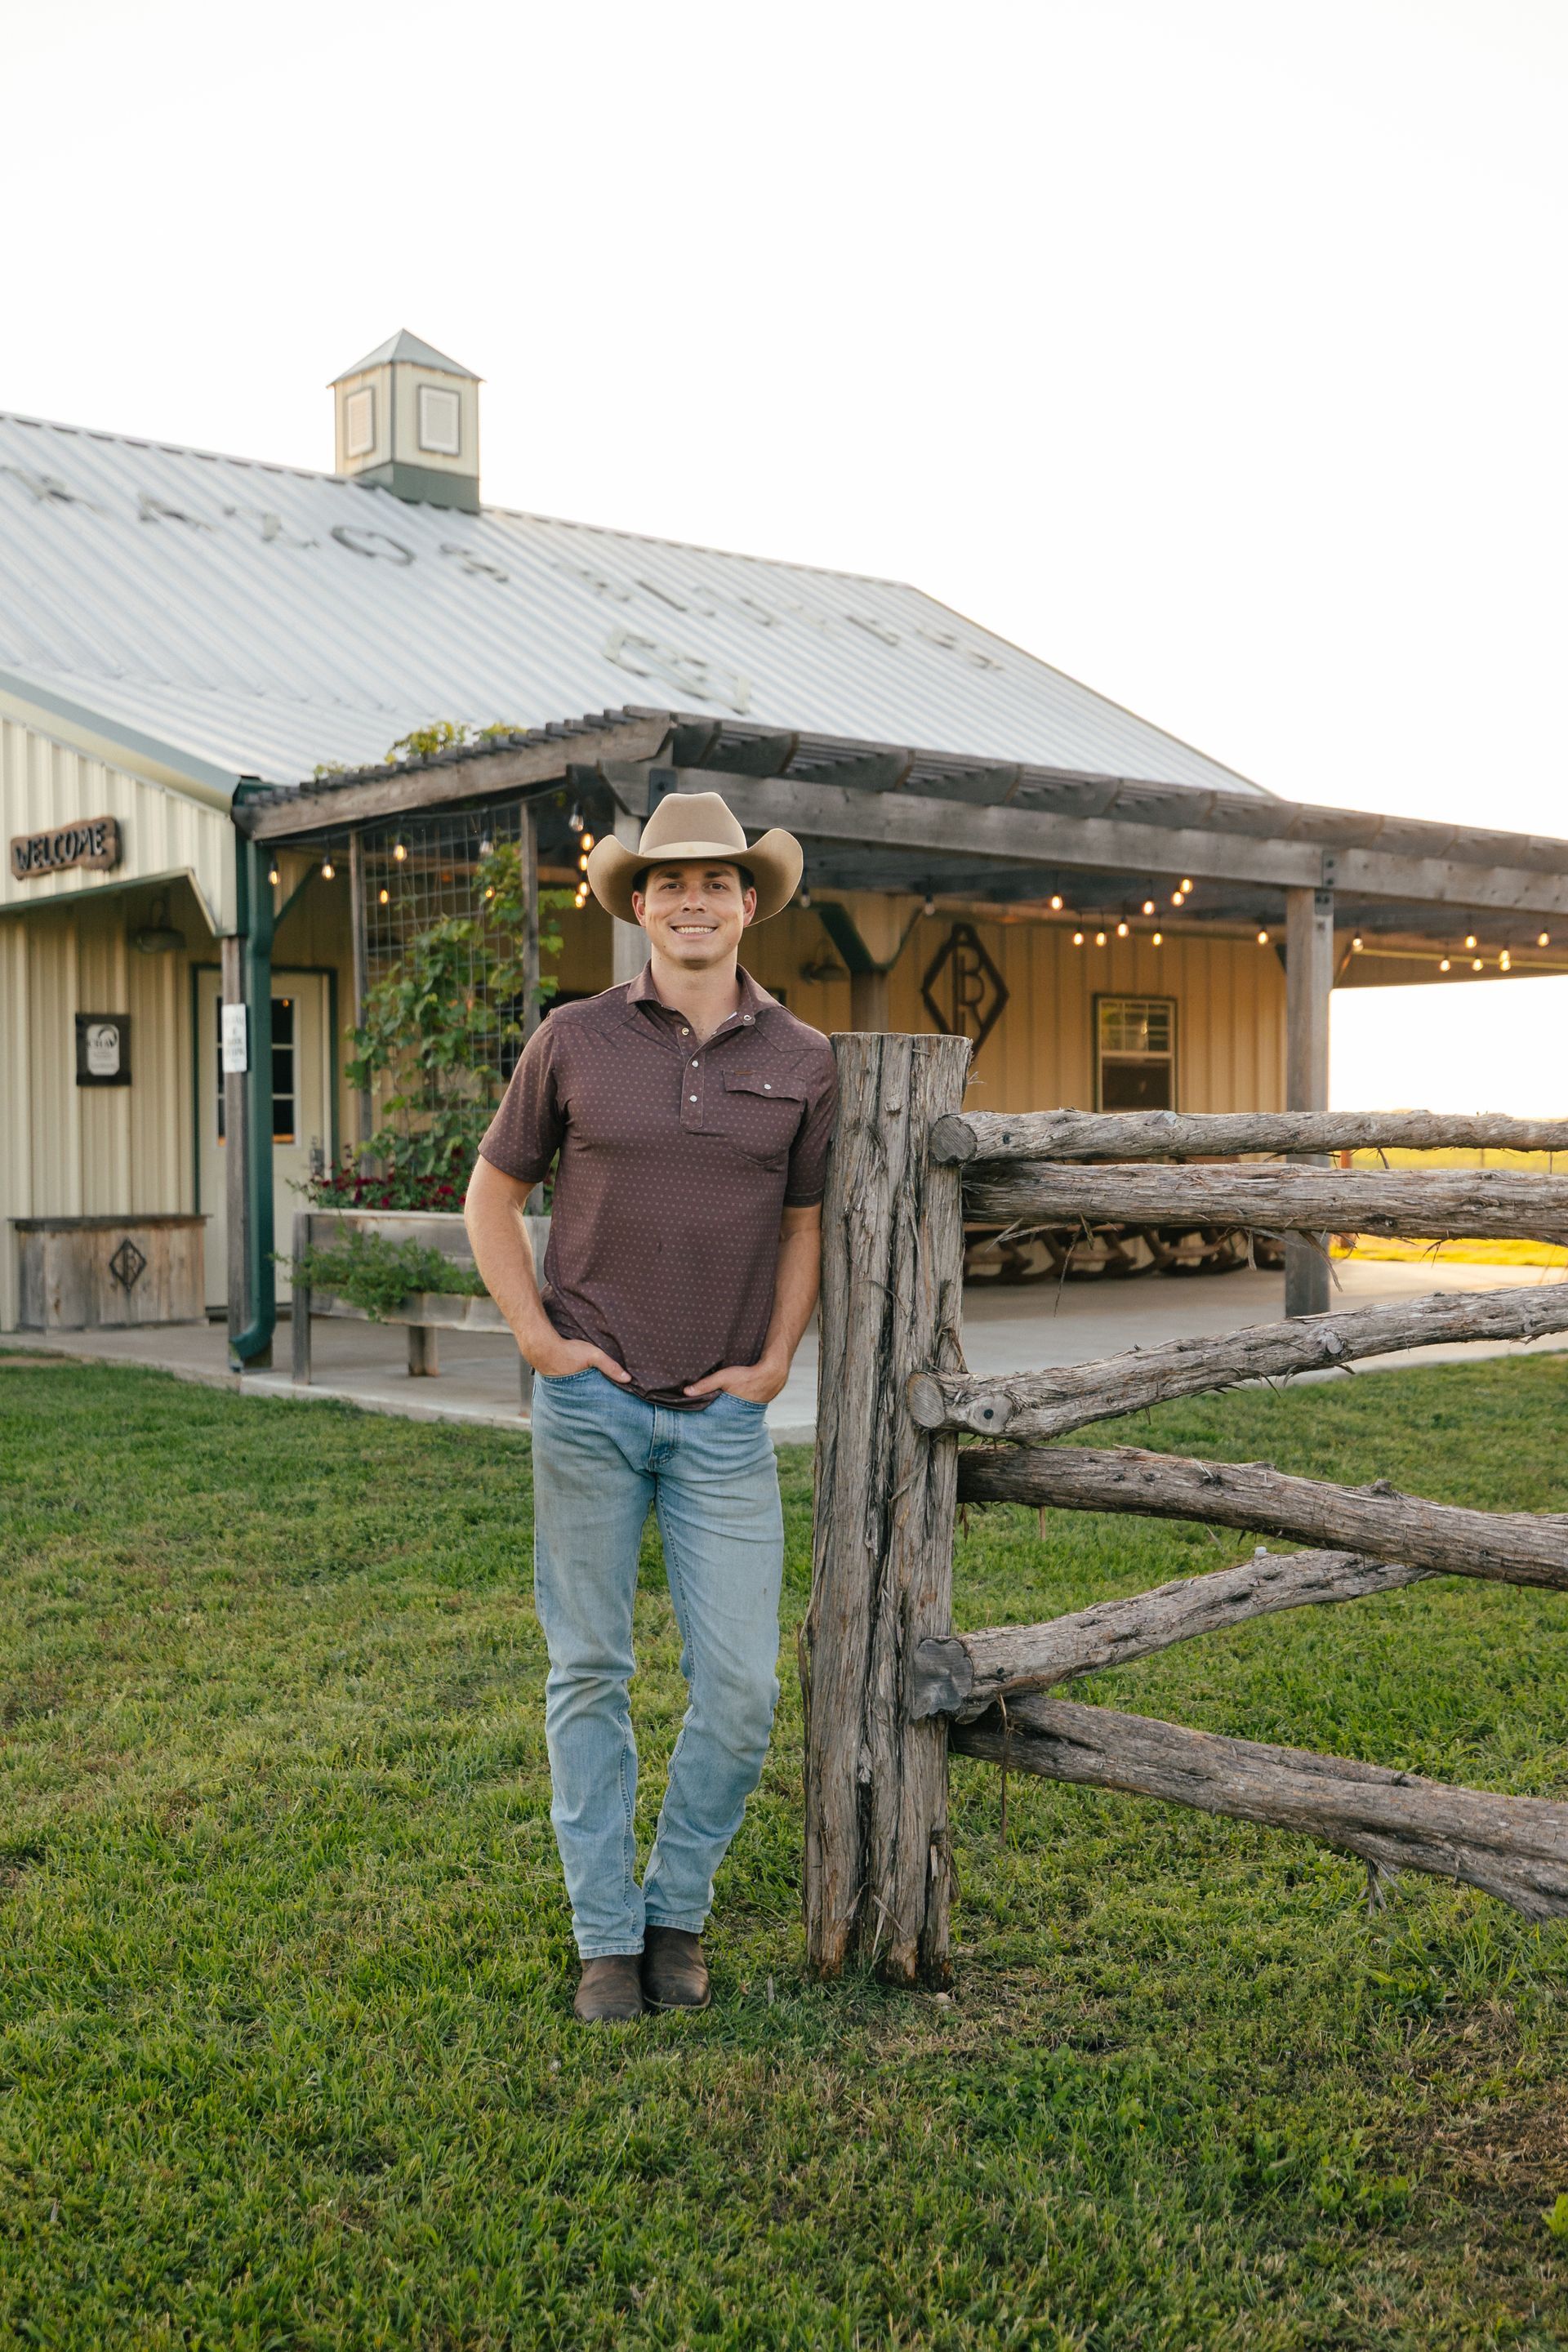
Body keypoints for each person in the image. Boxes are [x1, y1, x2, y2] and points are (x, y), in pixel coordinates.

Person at [465, 791, 837, 2024]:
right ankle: (605, 1942)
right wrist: (538, 1339)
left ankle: (678, 1908)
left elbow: (804, 1225)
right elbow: (492, 1195)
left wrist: (778, 1359)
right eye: (668, 884)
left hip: (725, 1420)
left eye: (715, 883)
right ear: (638, 905)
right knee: (590, 1673)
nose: (692, 902)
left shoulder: (803, 1060)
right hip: (591, 1408)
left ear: (747, 904)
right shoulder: (572, 1039)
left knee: (741, 1694)